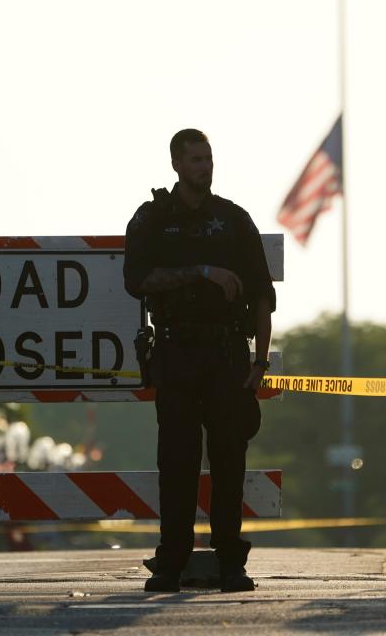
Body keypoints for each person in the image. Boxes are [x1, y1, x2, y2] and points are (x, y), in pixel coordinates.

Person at [124, 128, 275, 593]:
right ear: (176, 165)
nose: (204, 167)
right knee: (177, 463)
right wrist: (202, 273)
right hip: (176, 352)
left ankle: (232, 561)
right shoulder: (153, 219)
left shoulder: (233, 220)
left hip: (227, 354)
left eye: (208, 159)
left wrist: (260, 362)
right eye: (194, 160)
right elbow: (137, 280)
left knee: (230, 463)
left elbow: (263, 297)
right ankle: (172, 561)